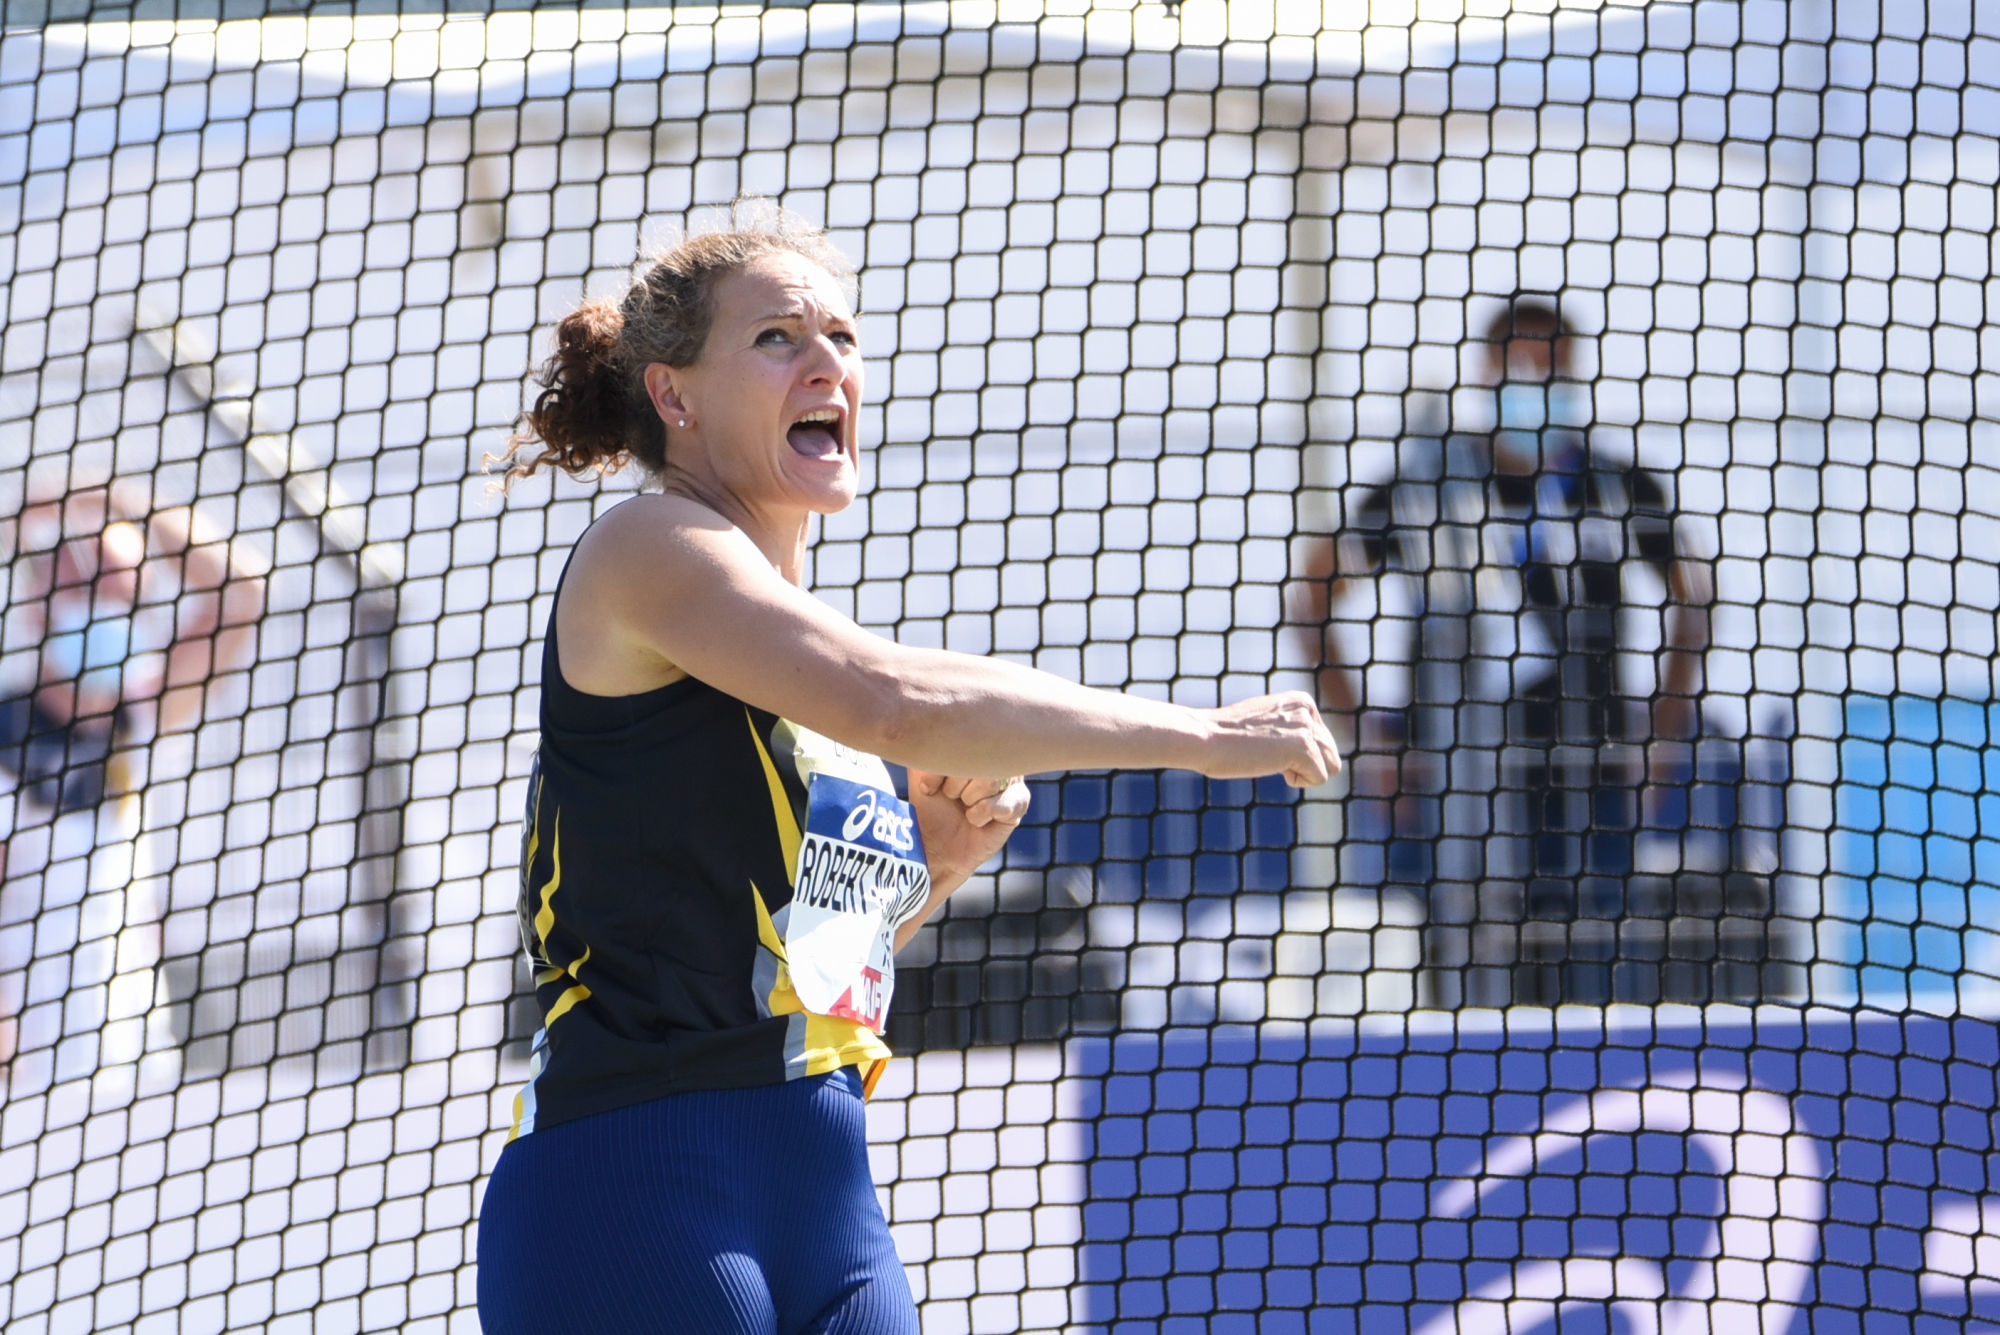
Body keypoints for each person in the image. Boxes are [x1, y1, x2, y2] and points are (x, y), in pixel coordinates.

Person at [474, 204, 1340, 1335]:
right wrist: (1201, 737)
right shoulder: (649, 547)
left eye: (841, 335)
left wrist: (939, 863)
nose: (827, 361)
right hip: (633, 1183)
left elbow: (807, 973)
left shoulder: (803, 656)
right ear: (672, 396)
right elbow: (898, 699)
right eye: (778, 337)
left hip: (824, 1187)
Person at [1288, 295, 1713, 1007]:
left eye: (1554, 368)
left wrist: (1663, 733)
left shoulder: (1613, 487)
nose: (1538, 383)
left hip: (1591, 774)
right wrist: (1366, 740)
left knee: (1596, 978)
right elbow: (1313, 594)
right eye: (1522, 366)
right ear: (1489, 372)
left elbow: (1694, 593)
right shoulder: (1426, 488)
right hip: (1450, 780)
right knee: (1456, 980)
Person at [0, 481, 264, 1070]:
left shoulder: (141, 717)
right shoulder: (6, 733)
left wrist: (118, 499)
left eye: (122, 592)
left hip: (134, 1064)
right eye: (86, 588)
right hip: (26, 1072)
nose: (107, 607)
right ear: (37, 606)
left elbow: (241, 592)